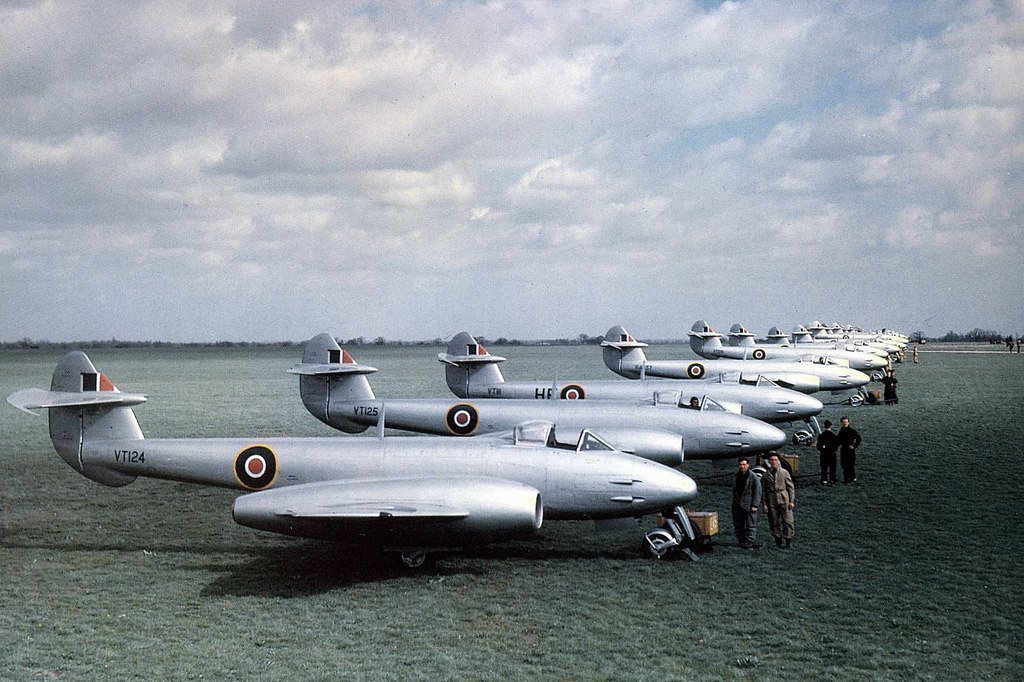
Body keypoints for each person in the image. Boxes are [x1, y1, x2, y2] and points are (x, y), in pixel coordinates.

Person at [762, 454, 795, 548]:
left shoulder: (784, 472)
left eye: (775, 460)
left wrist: (791, 501)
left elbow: (790, 487)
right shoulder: (766, 475)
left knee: (788, 520)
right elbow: (764, 491)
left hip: (783, 497)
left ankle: (788, 540)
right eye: (772, 460)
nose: (773, 462)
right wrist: (765, 504)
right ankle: (778, 540)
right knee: (773, 520)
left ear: (778, 461)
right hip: (771, 498)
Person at [731, 457, 761, 548]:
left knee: (750, 524)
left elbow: (757, 492)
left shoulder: (753, 477)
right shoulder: (736, 475)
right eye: (740, 464)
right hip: (737, 504)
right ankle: (741, 540)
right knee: (738, 524)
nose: (742, 466)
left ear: (748, 465)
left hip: (749, 504)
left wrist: (755, 505)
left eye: (744, 464)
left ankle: (749, 541)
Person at [837, 416, 862, 484]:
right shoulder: (841, 430)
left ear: (848, 422)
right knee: (844, 465)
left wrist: (854, 446)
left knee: (850, 465)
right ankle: (846, 479)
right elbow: (839, 440)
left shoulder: (851, 431)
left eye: (846, 422)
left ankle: (852, 478)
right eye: (843, 422)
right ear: (841, 423)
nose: (845, 423)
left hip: (850, 451)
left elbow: (859, 438)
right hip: (843, 450)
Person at [816, 420, 838, 485]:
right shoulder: (833, 436)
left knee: (824, 467)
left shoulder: (821, 436)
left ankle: (824, 480)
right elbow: (836, 446)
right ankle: (832, 480)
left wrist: (823, 449)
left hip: (823, 454)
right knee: (832, 468)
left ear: (824, 426)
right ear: (831, 426)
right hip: (832, 454)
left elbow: (818, 446)